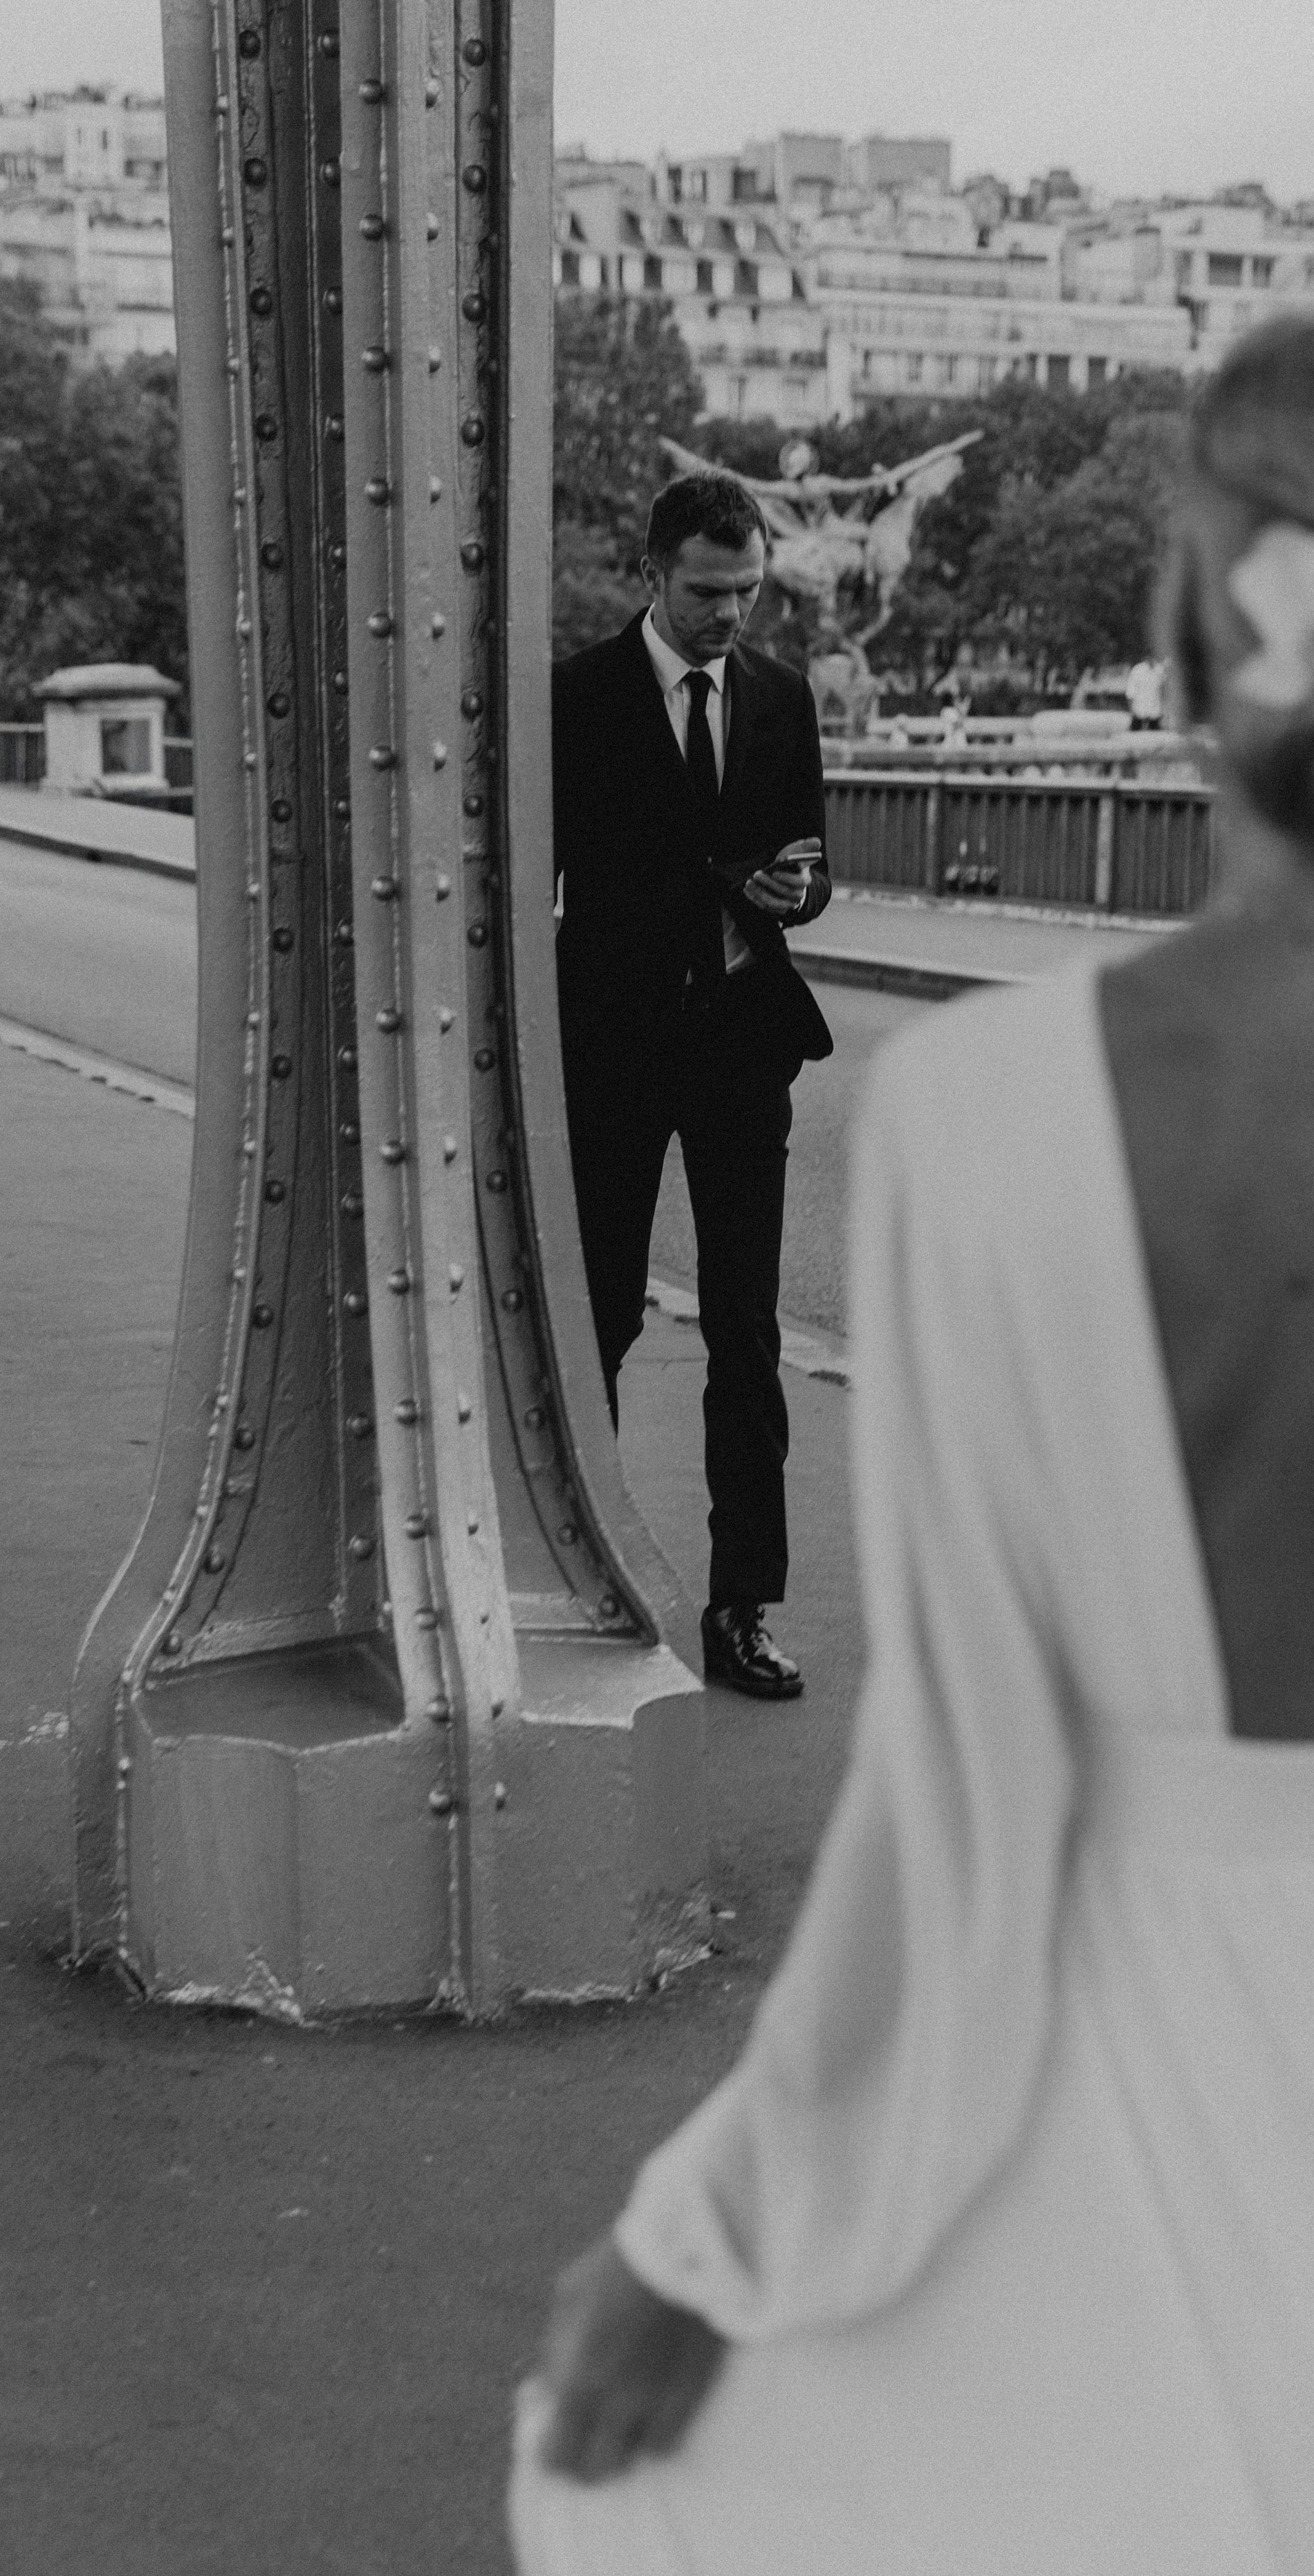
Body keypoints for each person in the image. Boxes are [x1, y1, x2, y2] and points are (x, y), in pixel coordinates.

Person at [512, 305, 1314, 2576]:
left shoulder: (986, 1128)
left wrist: (702, 2249)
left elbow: (965, 1822)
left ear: (1192, 661)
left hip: (1138, 2048)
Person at [551, 472, 833, 1700]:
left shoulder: (780, 696)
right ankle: (586, 1583)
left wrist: (795, 891)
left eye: (749, 591)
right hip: (614, 1048)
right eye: (711, 592)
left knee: (747, 1336)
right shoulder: (571, 699)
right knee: (595, 1323)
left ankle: (741, 1609)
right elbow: (536, 880)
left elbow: (810, 861)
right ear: (652, 572)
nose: (732, 615)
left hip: (738, 1046)